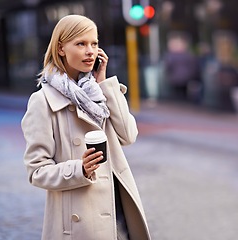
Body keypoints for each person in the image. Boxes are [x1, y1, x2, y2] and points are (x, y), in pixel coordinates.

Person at [21, 14, 150, 240]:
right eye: (81, 44)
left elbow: (128, 136)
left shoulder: (98, 93)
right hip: (79, 223)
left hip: (117, 208)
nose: (90, 51)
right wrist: (79, 169)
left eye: (94, 43)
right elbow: (37, 171)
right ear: (61, 48)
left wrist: (104, 84)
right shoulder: (43, 102)